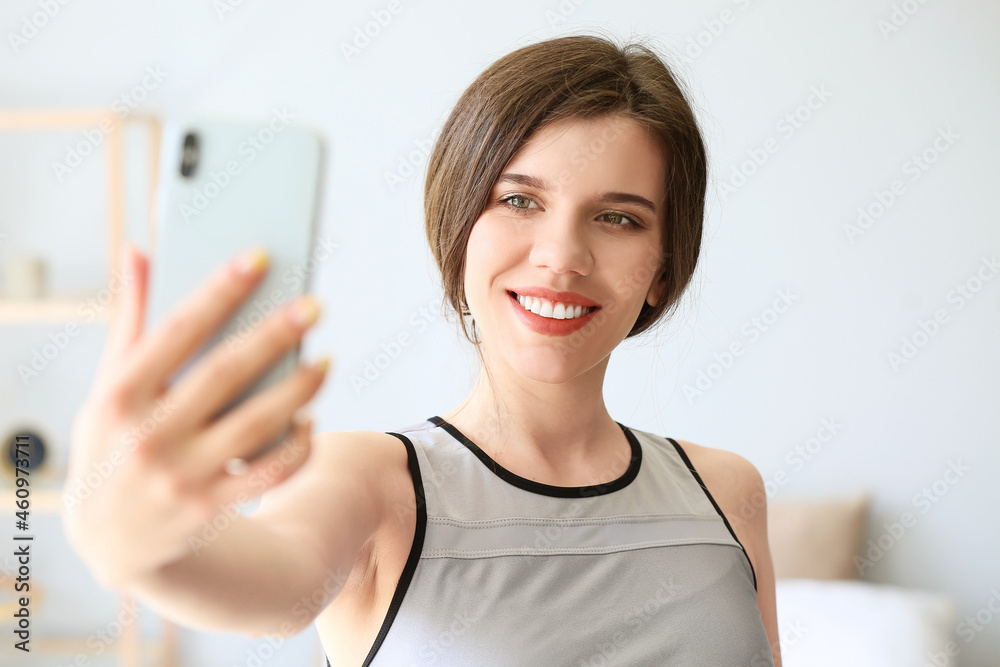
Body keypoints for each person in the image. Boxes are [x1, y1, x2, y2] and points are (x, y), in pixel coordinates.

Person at [63, 33, 782, 666]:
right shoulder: (372, 482)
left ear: (661, 269)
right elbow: (271, 584)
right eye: (519, 200)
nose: (562, 257)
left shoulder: (727, 491)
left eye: (618, 217)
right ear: (458, 226)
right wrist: (135, 545)